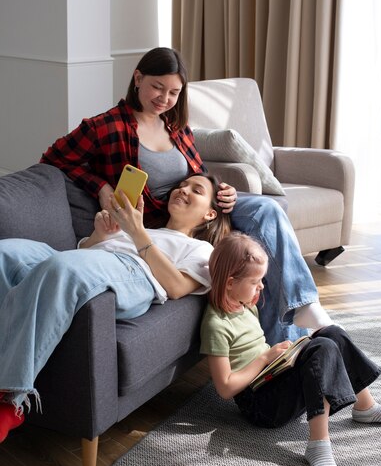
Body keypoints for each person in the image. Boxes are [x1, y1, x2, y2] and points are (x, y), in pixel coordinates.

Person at [41, 46, 333, 345]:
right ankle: (291, 337)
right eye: (157, 87)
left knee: (266, 211)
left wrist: (222, 191)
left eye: (174, 92)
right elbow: (53, 159)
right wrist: (100, 186)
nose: (164, 99)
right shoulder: (105, 127)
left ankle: (300, 312)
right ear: (138, 78)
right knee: (261, 222)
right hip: (164, 216)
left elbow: (199, 174)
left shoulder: (176, 127)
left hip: (197, 204)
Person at [0, 173, 230, 444]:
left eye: (196, 190)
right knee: (7, 252)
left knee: (61, 270)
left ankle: (8, 398)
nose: (183, 190)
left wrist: (136, 232)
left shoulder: (201, 248)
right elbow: (82, 254)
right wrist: (100, 235)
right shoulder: (144, 228)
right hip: (81, 262)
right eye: (181, 185)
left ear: (210, 214)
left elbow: (177, 287)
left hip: (134, 274)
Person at [200, 232, 381, 466]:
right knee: (320, 349)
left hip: (273, 379)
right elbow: (224, 387)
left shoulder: (245, 305)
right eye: (256, 281)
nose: (262, 286)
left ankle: (365, 407)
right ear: (231, 283)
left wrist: (283, 356)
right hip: (259, 405)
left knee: (331, 333)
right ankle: (318, 445)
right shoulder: (215, 324)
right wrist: (266, 358)